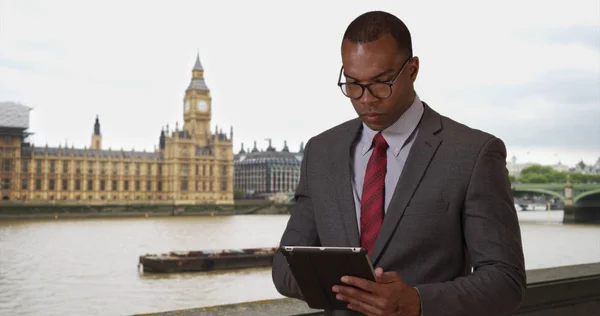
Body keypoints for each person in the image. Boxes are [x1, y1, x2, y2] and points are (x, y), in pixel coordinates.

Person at [272, 10, 526, 316]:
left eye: (381, 83)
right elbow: (284, 266)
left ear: (413, 69)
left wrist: (415, 302)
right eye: (352, 84)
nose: (365, 99)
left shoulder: (474, 154)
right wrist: (356, 290)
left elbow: (505, 281)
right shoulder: (321, 152)